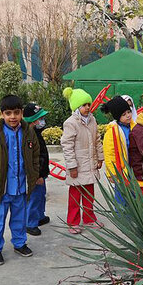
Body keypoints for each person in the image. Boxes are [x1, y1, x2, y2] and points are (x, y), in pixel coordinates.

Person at [0, 94, 40, 265]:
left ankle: (20, 243)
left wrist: (33, 176)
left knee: (19, 218)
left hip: (21, 187)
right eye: (8, 113)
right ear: (2, 114)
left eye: (16, 112)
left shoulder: (28, 132)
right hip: (2, 188)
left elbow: (35, 156)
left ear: (21, 113)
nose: (12, 117)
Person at [60, 87, 104, 234]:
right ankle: (73, 222)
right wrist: (72, 166)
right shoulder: (71, 123)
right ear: (76, 106)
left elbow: (97, 139)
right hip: (78, 167)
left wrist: (100, 157)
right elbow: (67, 146)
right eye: (83, 105)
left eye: (88, 104)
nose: (87, 107)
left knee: (89, 195)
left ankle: (89, 219)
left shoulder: (92, 120)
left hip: (90, 165)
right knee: (75, 196)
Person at [22, 102, 51, 235]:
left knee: (40, 196)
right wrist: (37, 175)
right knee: (34, 198)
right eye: (40, 119)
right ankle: (30, 223)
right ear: (32, 121)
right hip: (36, 175)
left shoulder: (36, 133)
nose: (42, 121)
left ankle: (39, 216)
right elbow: (33, 159)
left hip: (41, 173)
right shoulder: (29, 136)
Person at [101, 95, 133, 202]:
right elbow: (110, 154)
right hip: (121, 172)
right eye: (124, 114)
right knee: (121, 198)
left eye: (129, 112)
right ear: (117, 117)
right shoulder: (112, 132)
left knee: (134, 197)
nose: (128, 116)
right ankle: (121, 217)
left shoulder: (135, 127)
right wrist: (111, 173)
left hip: (134, 169)